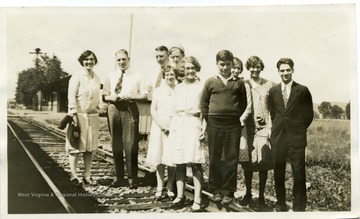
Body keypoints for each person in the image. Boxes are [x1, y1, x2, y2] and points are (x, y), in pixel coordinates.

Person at [200, 50, 248, 204]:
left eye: (228, 64)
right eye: (222, 64)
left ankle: (228, 191)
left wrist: (234, 116)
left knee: (231, 157)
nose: (225, 67)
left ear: (231, 64)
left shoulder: (238, 82)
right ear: (217, 64)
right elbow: (203, 104)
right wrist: (210, 118)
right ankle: (215, 189)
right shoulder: (210, 82)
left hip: (232, 124)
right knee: (215, 156)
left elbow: (243, 103)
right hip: (214, 123)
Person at [268, 58, 313, 211]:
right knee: (278, 171)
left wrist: (298, 130)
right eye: (282, 70)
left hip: (296, 138)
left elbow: (308, 115)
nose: (285, 73)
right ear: (278, 72)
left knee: (298, 172)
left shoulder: (302, 90)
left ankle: (299, 206)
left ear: (292, 70)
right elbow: (273, 113)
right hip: (278, 138)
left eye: (288, 70)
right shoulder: (273, 91)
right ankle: (280, 203)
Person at [164, 56, 206, 212]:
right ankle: (180, 196)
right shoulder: (179, 87)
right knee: (179, 161)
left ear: (197, 69)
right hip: (179, 124)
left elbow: (204, 111)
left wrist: (203, 128)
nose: (189, 71)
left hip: (193, 123)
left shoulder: (202, 87)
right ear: (183, 70)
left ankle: (197, 199)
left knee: (195, 162)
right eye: (187, 68)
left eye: (192, 68)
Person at [102, 49, 147, 188]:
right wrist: (112, 97)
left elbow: (145, 95)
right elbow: (104, 95)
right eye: (119, 60)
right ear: (116, 61)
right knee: (116, 143)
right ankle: (118, 177)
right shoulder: (111, 76)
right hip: (114, 108)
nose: (121, 62)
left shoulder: (137, 76)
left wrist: (132, 97)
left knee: (131, 144)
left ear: (128, 59)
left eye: (124, 59)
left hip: (130, 108)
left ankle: (132, 178)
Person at [239, 56, 276, 208]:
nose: (254, 70)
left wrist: (270, 127)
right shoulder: (243, 84)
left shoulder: (270, 85)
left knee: (263, 163)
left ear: (261, 68)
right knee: (247, 163)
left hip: (264, 129)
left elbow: (273, 108)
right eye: (252, 67)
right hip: (248, 128)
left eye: (257, 67)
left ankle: (261, 196)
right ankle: (248, 193)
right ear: (248, 68)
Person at [66, 50, 101, 186]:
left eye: (92, 59)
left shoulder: (97, 78)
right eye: (86, 60)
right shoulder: (77, 76)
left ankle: (87, 175)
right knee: (75, 146)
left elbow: (97, 97)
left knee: (89, 148)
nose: (89, 62)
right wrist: (73, 113)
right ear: (82, 61)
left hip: (92, 116)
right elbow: (71, 95)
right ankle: (74, 175)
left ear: (95, 61)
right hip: (79, 116)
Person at [146, 66, 178, 201]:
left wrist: (174, 126)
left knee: (172, 158)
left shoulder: (179, 90)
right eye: (167, 75)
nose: (170, 77)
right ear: (164, 76)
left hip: (175, 126)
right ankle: (159, 187)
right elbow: (153, 110)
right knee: (160, 158)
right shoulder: (158, 91)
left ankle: (170, 187)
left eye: (172, 74)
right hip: (160, 126)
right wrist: (162, 126)